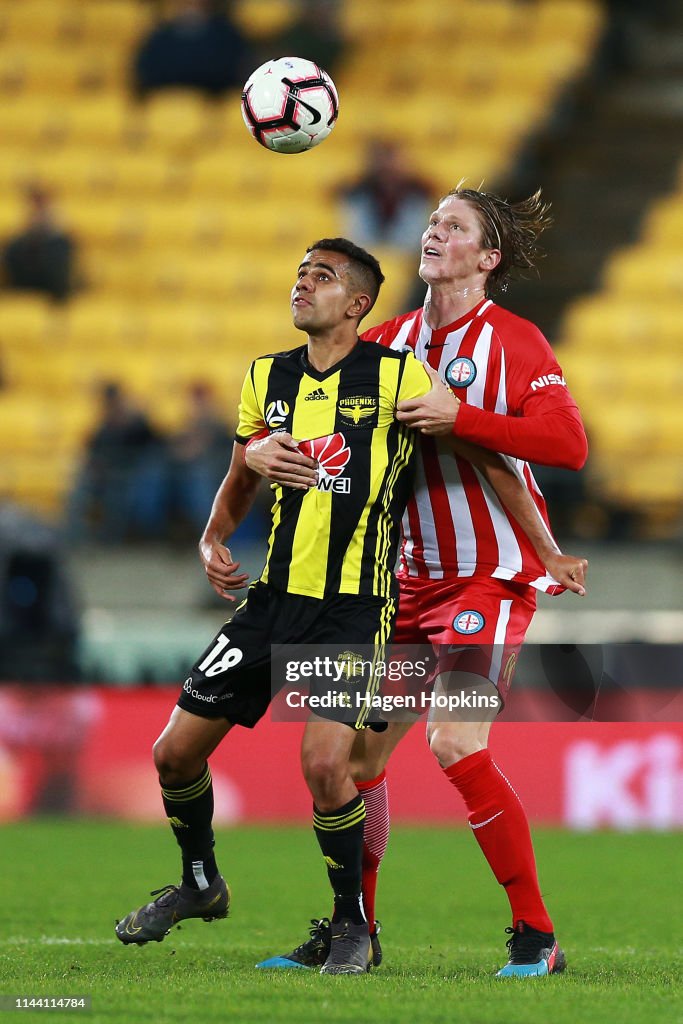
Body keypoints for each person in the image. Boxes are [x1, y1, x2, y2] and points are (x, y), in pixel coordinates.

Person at [246, 186, 588, 977]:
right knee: (354, 764)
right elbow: (311, 420)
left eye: (453, 226)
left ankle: (536, 936)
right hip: (397, 586)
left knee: (454, 737)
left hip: (487, 579)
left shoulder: (513, 341)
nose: (434, 233)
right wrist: (261, 451)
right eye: (431, 222)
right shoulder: (390, 342)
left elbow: (564, 445)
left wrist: (459, 416)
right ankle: (352, 935)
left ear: (486, 256)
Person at [115, 237, 435, 974]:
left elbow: (461, 435)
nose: (301, 285)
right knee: (172, 754)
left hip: (353, 605)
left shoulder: (395, 375)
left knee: (325, 765)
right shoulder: (268, 374)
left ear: (357, 304)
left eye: (320, 277)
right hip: (271, 600)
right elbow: (239, 476)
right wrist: (211, 537)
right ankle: (201, 884)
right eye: (297, 274)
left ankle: (354, 925)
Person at [64, 382, 166, 544]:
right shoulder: (103, 428)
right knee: (80, 490)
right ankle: (75, 538)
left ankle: (110, 540)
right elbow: (92, 453)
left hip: (127, 475)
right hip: (104, 476)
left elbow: (156, 446)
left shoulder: (137, 425)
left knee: (117, 496)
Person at [132, 0, 253, 100]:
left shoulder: (226, 34)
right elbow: (147, 74)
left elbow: (235, 72)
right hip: (166, 104)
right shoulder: (160, 36)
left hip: (215, 106)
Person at [2, 185, 76, 302]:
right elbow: (11, 274)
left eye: (42, 210)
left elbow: (58, 278)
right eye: (34, 210)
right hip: (21, 297)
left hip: (52, 299)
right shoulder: (16, 244)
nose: (37, 216)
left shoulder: (61, 244)